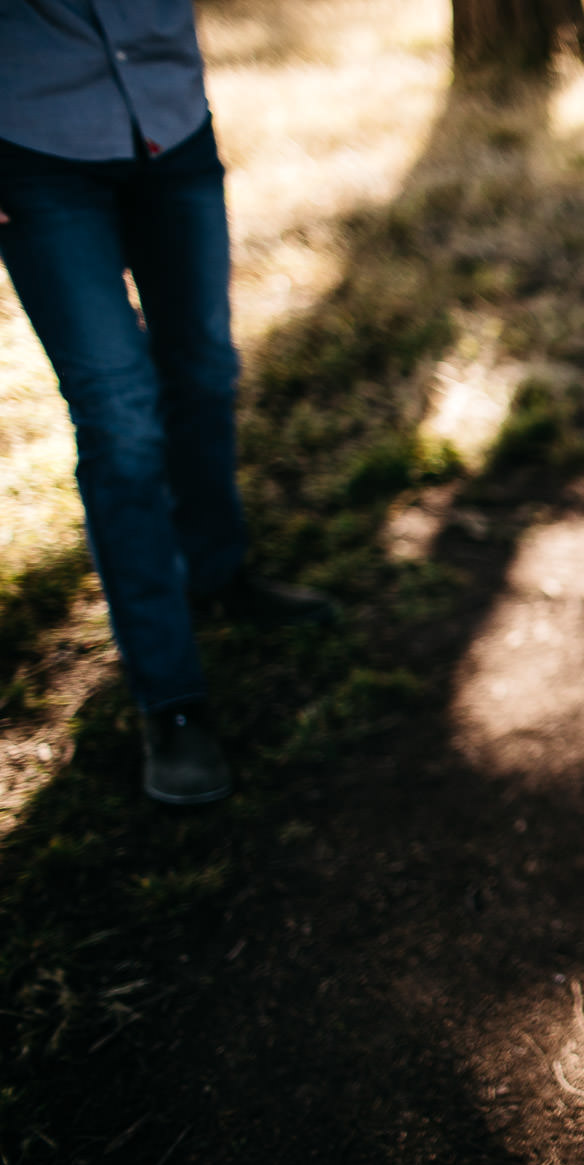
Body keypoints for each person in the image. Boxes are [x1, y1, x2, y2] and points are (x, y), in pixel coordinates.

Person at [0, 0, 332, 806]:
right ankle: (170, 698)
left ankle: (217, 571)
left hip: (172, 124)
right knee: (120, 421)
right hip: (33, 148)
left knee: (206, 372)